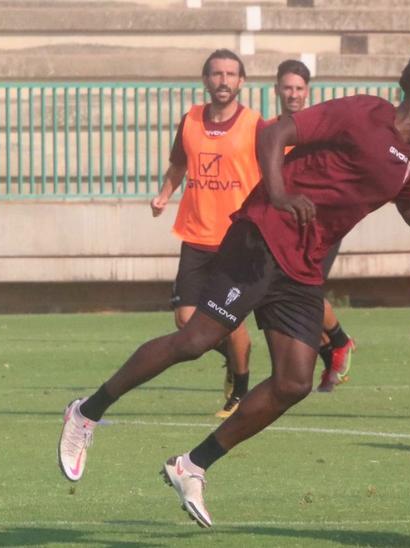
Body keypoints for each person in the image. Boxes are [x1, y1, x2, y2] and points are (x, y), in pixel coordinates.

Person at [56, 55, 410, 529]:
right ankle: (86, 412)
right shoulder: (365, 113)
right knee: (196, 340)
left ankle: (192, 465)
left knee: (294, 382)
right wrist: (277, 193)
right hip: (264, 237)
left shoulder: (406, 162)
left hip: (304, 266)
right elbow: (275, 134)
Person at [150, 49, 262, 419]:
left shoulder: (254, 125)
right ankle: (234, 358)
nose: (223, 80)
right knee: (185, 319)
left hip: (237, 238)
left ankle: (240, 390)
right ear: (205, 80)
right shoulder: (192, 120)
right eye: (216, 74)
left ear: (241, 81)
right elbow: (179, 163)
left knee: (232, 318)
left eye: (231, 74)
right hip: (196, 233)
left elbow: (271, 174)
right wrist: (165, 194)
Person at [272, 59, 357, 393]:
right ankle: (329, 351)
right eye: (287, 87)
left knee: (304, 289)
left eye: (299, 88)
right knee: (291, 292)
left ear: (308, 92)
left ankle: (337, 343)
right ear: (277, 89)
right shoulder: (272, 129)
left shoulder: (319, 128)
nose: (293, 94)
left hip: (321, 224)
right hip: (285, 226)